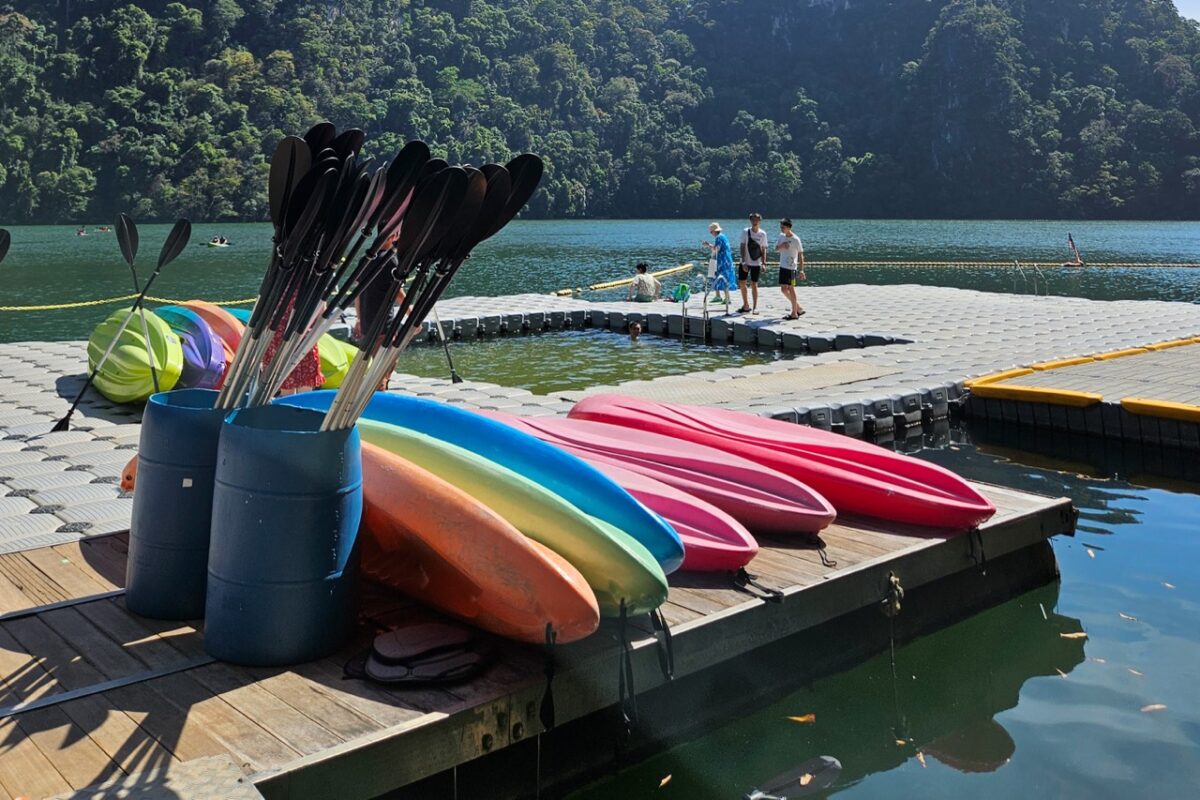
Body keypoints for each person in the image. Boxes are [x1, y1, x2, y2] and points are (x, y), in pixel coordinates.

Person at [738, 212, 769, 313]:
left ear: (760, 221)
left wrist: (764, 263)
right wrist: (743, 262)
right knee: (742, 283)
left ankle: (755, 307)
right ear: (750, 221)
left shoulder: (762, 234)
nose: (755, 222)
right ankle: (746, 305)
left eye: (757, 220)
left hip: (756, 263)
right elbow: (742, 246)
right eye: (753, 220)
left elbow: (764, 249)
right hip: (745, 261)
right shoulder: (745, 231)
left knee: (754, 284)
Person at [775, 218, 805, 319]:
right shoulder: (781, 236)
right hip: (783, 267)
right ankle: (798, 308)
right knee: (783, 290)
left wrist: (801, 270)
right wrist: (782, 246)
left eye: (783, 227)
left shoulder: (796, 239)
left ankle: (794, 313)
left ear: (788, 227)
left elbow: (801, 255)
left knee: (791, 288)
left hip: (792, 268)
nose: (781, 229)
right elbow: (776, 249)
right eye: (781, 227)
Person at [703, 222, 735, 308]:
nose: (711, 234)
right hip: (722, 259)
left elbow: (717, 249)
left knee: (723, 277)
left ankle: (727, 298)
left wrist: (708, 245)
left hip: (722, 260)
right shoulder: (722, 236)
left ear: (714, 231)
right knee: (716, 276)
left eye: (711, 232)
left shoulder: (719, 238)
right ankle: (718, 296)